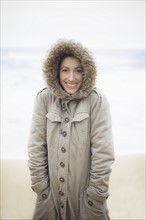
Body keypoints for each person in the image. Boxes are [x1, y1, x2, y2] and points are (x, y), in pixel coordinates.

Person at [28, 39, 115, 220]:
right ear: (55, 71)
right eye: (65, 70)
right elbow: (36, 148)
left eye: (78, 71)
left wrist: (95, 197)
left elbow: (103, 153)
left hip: (87, 204)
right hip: (49, 200)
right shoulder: (44, 99)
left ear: (86, 72)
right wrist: (42, 191)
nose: (71, 78)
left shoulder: (96, 101)